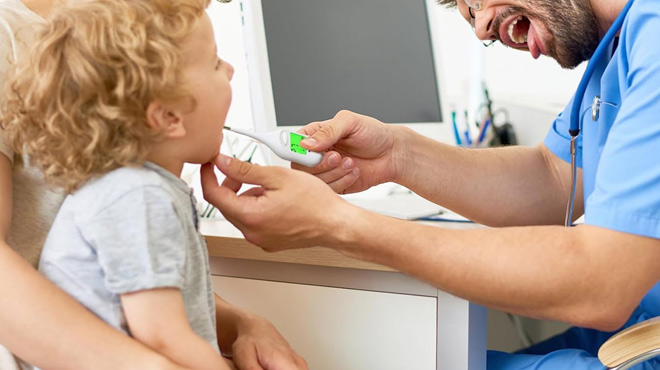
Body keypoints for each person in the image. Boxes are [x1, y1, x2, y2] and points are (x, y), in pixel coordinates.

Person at [200, 0, 660, 368]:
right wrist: (399, 156)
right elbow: (555, 178)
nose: (480, 29)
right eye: (468, 12)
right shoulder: (617, 47)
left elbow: (600, 282)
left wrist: (339, 225)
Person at [0, 0, 306, 370]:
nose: (230, 69)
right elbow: (162, 337)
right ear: (167, 116)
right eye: (214, 63)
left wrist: (245, 325)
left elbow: (141, 292)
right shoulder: (138, 197)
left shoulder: (127, 188)